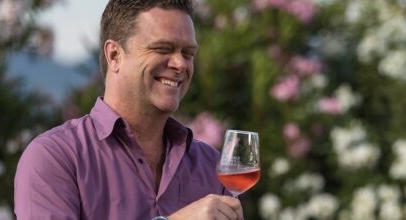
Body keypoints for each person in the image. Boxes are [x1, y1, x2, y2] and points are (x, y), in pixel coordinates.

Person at [14, 0, 244, 219]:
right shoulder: (55, 158)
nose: (181, 64)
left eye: (188, 54)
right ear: (114, 55)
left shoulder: (211, 165)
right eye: (163, 48)